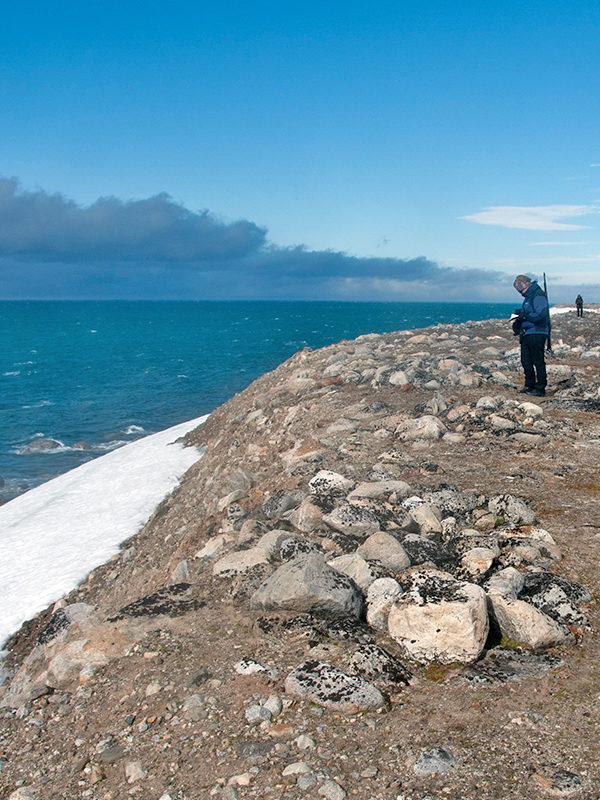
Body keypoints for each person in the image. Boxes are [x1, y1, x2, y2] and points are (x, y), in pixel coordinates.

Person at [512, 274, 550, 397]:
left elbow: (540, 315)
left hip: (537, 332)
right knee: (526, 361)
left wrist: (525, 316)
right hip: (527, 333)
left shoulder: (538, 296)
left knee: (537, 361)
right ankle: (529, 385)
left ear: (526, 285)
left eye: (520, 288)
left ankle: (540, 388)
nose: (520, 292)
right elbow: (531, 313)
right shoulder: (528, 297)